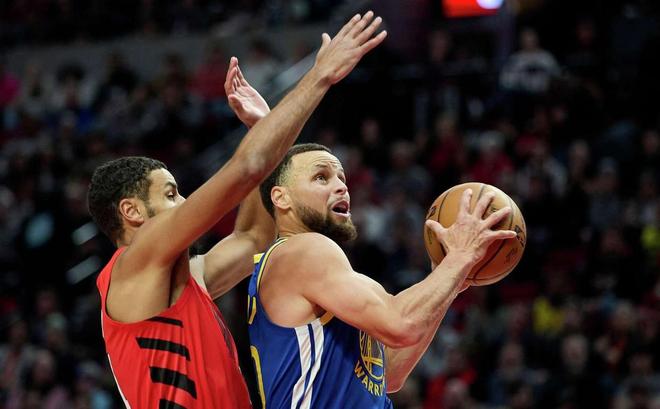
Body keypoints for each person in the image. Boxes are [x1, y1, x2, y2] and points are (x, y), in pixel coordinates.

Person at [86, 12, 387, 409]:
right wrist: (319, 77)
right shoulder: (134, 262)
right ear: (132, 211)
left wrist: (262, 128)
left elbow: (253, 239)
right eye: (171, 194)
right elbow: (246, 168)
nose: (183, 204)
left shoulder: (185, 279)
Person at [247, 143, 517, 408]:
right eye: (321, 177)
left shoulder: (331, 276)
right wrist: (459, 257)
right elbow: (401, 324)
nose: (341, 187)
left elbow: (390, 373)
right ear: (281, 198)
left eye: (342, 178)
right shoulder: (301, 251)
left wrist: (449, 278)